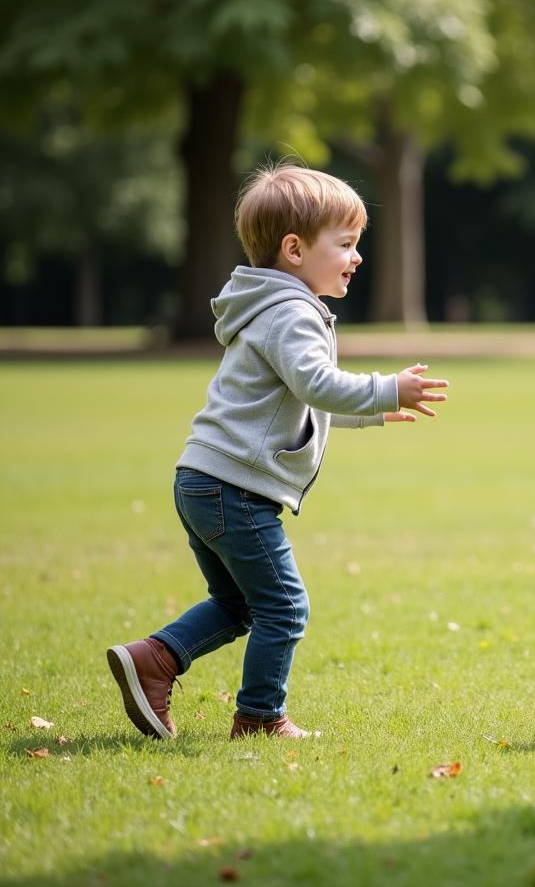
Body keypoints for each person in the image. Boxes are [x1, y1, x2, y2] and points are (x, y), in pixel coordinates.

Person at [107, 163, 448, 740]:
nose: (357, 257)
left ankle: (153, 660)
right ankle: (261, 718)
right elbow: (317, 383)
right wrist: (387, 386)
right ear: (294, 249)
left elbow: (299, 401)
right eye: (345, 244)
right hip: (233, 489)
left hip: (205, 480)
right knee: (285, 608)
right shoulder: (292, 314)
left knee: (240, 604)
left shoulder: (269, 306)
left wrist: (371, 410)